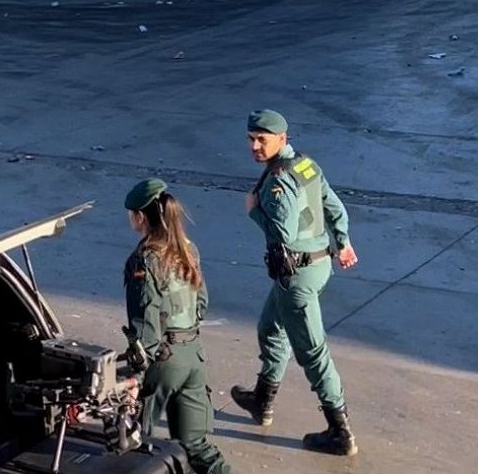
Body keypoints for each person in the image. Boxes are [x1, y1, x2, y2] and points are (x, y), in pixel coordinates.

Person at [230, 109, 360, 457]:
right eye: (251, 139)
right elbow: (333, 205)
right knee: (270, 328)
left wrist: (254, 211)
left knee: (312, 351)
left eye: (262, 140)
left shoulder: (276, 183)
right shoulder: (304, 165)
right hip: (316, 263)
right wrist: (343, 242)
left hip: (297, 275)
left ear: (282, 139)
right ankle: (262, 399)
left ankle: (340, 430)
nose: (255, 146)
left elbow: (282, 233)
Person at [122, 178, 233, 474]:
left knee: (133, 443)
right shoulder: (187, 249)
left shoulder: (144, 260)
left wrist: (135, 377)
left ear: (140, 217)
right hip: (193, 356)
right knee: (195, 445)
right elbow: (201, 303)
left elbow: (145, 322)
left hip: (162, 361)